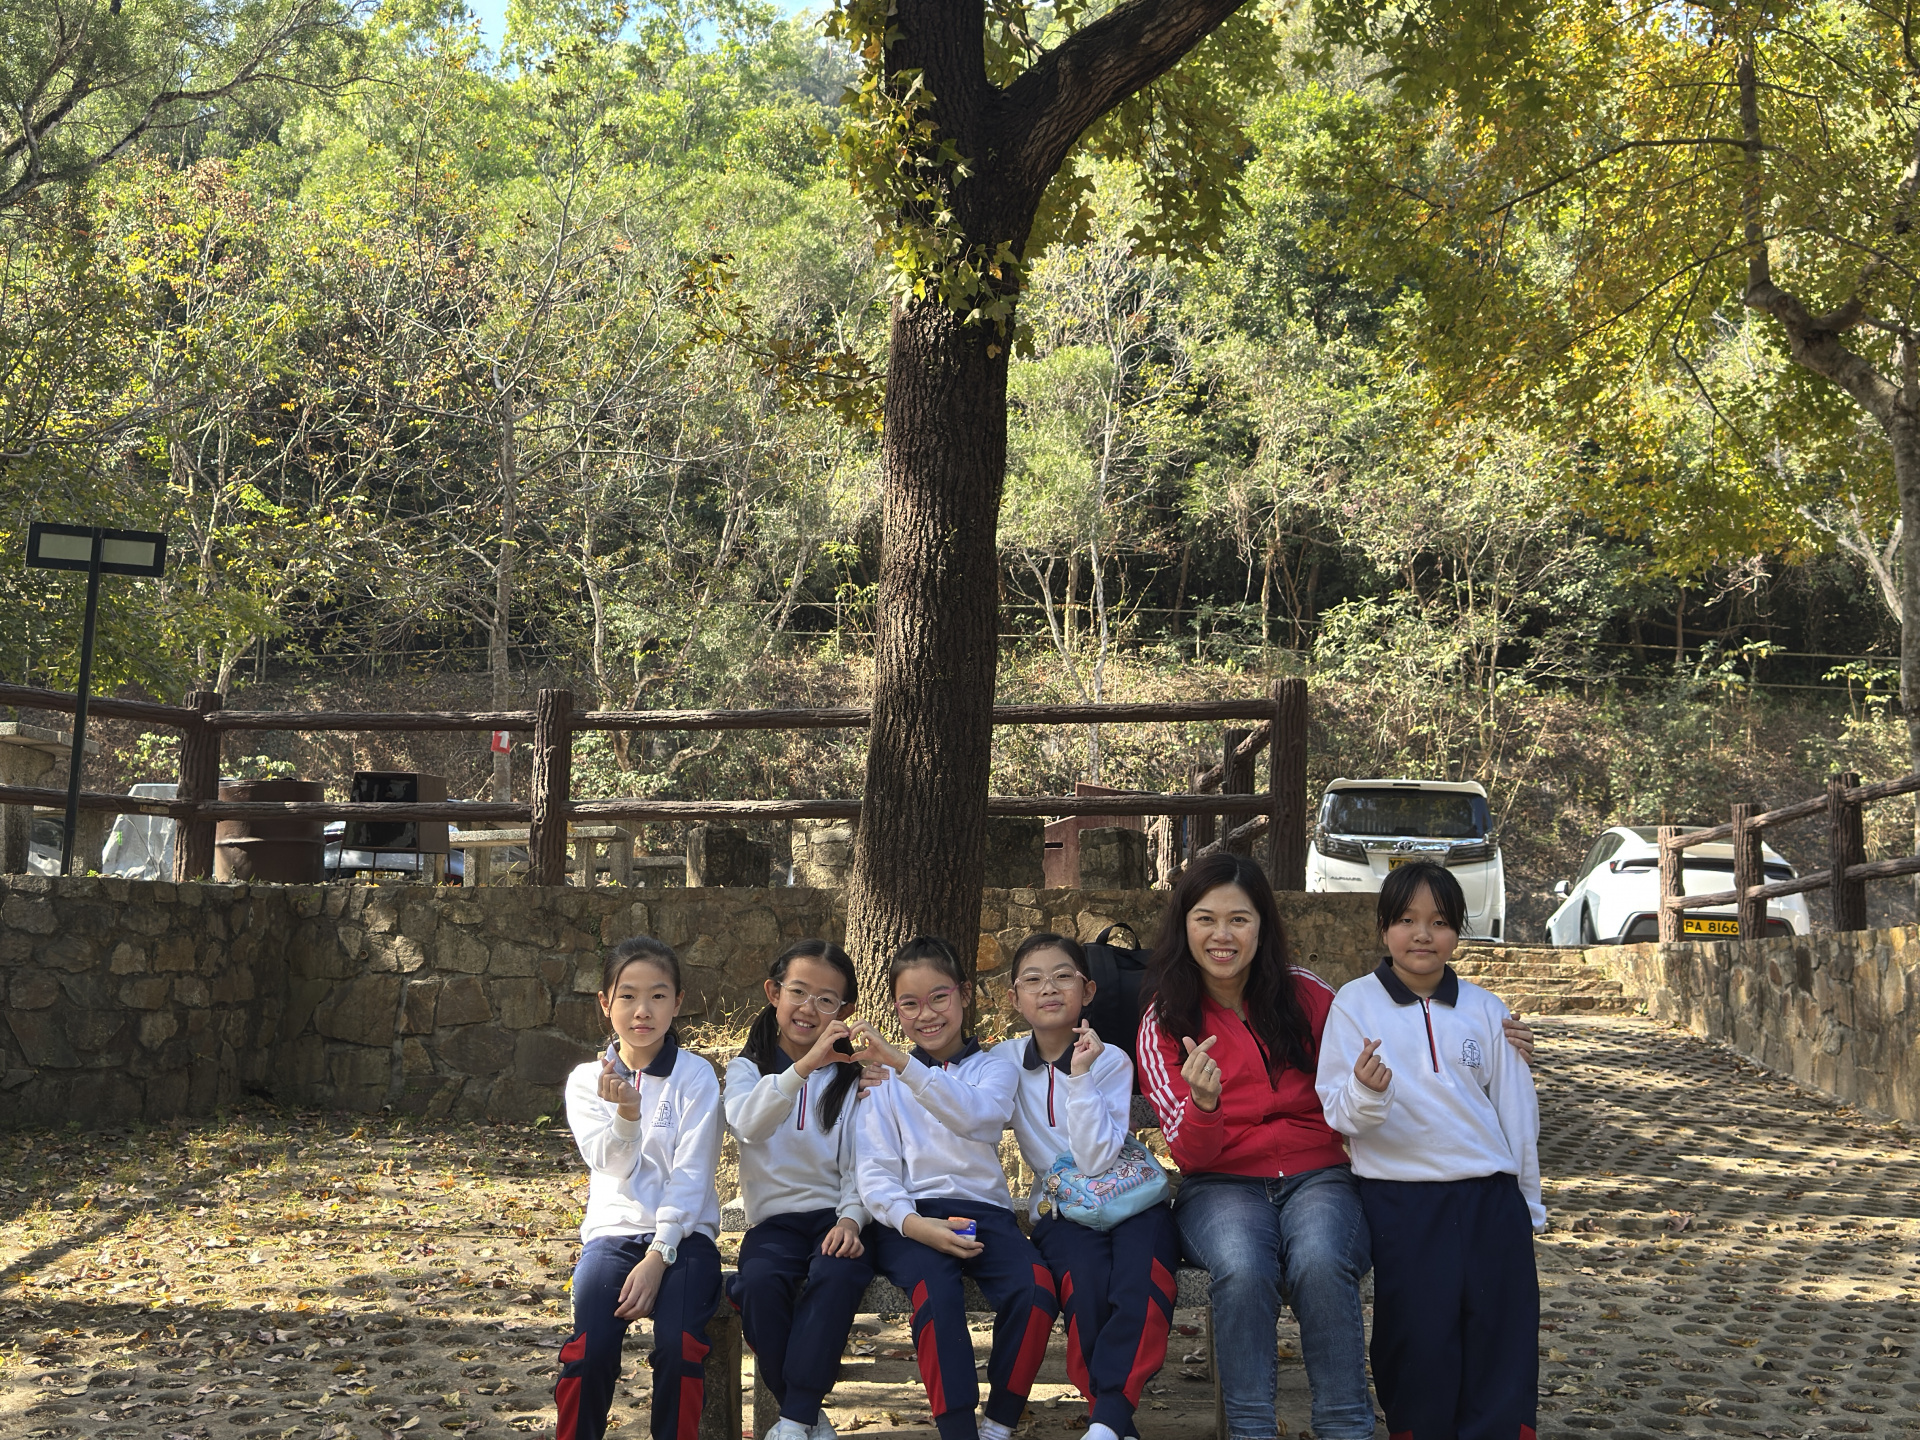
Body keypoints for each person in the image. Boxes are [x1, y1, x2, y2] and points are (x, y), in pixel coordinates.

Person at [1136, 853, 1533, 1440]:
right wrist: (1205, 1104)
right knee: (1243, 1268)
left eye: (1239, 919)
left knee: (1322, 1261)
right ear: (1184, 925)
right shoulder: (1166, 1019)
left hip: (1318, 1175)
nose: (1223, 935)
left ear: (1262, 926)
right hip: (1221, 1184)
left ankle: (1346, 1426)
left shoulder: (1306, 994)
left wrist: (1494, 1032)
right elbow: (1191, 1156)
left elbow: (1390, 1035)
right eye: (1206, 919)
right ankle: (1251, 1430)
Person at [1316, 862, 1543, 1440]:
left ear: (1458, 932)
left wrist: (1528, 1201)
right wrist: (1367, 1091)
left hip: (1490, 1198)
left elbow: (1517, 1111)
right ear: (1383, 928)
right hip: (1401, 1200)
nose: (1422, 935)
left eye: (1440, 922)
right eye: (1406, 920)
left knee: (1500, 1329)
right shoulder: (1354, 1005)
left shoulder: (1487, 1010)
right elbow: (1339, 1113)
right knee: (1418, 1335)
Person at [853, 935, 1060, 1440]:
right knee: (935, 1294)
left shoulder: (994, 1068)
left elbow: (981, 1119)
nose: (926, 1015)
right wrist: (913, 1224)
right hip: (912, 1218)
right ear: (895, 1009)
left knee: (1036, 1289)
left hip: (984, 1214)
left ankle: (1000, 1422)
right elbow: (875, 1170)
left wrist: (906, 1066)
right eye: (909, 1003)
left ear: (964, 994)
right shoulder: (881, 1082)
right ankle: (958, 1429)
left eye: (939, 997)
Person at [993, 932, 1179, 1440]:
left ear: (1088, 990)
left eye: (1063, 976)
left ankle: (1107, 1420)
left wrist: (1079, 1076)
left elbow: (1097, 1159)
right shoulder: (1002, 1062)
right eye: (1033, 979)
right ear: (1014, 997)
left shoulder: (1111, 1059)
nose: (1048, 988)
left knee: (1141, 1279)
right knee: (1086, 1284)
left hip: (1132, 1202)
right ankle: (1112, 1421)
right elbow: (966, 1108)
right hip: (1061, 1213)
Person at [555, 936, 724, 1440]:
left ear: (678, 1001)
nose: (642, 1010)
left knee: (680, 1346)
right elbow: (612, 1164)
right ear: (605, 1003)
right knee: (589, 1350)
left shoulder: (695, 1076)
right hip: (611, 1236)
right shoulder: (587, 1080)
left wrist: (659, 1255)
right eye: (627, 995)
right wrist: (628, 1113)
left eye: (657, 995)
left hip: (685, 1238)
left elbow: (692, 1175)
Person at [725, 940, 878, 1440]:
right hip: (775, 1223)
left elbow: (861, 1162)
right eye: (798, 992)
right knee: (757, 1284)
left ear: (844, 1012)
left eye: (826, 999)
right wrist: (803, 1067)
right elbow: (748, 1125)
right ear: (774, 993)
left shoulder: (853, 1079)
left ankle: (793, 1422)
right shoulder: (747, 1070)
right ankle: (806, 1414)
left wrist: (852, 1219)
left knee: (837, 1273)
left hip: (837, 1217)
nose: (809, 1009)